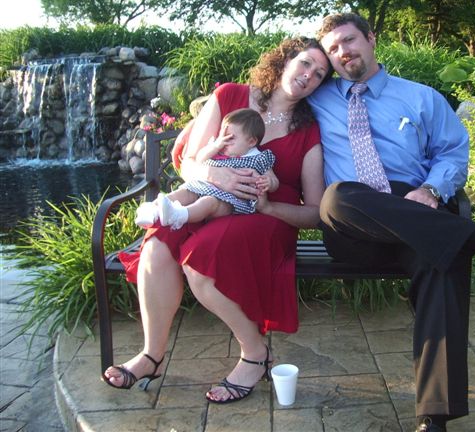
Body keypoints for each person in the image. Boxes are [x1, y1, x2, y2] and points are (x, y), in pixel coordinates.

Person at [307, 13, 475, 432]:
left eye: (348, 40)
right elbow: (262, 100)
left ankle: (433, 419)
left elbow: (453, 153)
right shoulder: (317, 98)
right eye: (332, 49)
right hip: (354, 224)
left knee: (442, 258)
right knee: (337, 197)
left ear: (371, 38)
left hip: (417, 208)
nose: (342, 52)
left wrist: (432, 191)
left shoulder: (421, 97)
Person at [102, 37, 332, 405]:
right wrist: (217, 175)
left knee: (201, 258)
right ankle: (151, 356)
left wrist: (269, 208)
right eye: (305, 63)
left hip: (266, 217)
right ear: (287, 58)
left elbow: (314, 212)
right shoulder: (229, 97)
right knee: (158, 243)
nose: (309, 75)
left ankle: (254, 353)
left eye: (319, 74)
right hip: (209, 195)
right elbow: (190, 161)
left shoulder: (308, 130)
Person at [134, 108, 279, 230]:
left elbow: (273, 181)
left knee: (209, 202)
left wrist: (269, 182)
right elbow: (200, 158)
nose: (224, 141)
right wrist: (216, 145)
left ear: (251, 141)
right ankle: (151, 210)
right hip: (203, 186)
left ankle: (179, 215)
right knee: (184, 192)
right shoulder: (218, 149)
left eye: (230, 138)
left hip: (232, 202)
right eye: (223, 135)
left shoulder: (258, 158)